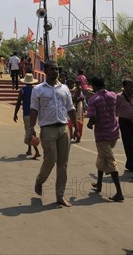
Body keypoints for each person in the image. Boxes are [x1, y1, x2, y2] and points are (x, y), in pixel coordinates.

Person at [31, 61, 79, 207]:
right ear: (45, 71)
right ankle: (40, 180)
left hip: (63, 128)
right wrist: (30, 128)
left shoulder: (64, 88)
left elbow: (70, 108)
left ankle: (60, 195)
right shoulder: (38, 89)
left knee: (63, 164)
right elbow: (33, 109)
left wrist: (76, 127)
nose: (55, 71)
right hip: (47, 129)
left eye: (56, 69)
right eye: (52, 69)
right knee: (50, 160)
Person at [86, 76, 123, 202]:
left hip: (102, 134)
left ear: (94, 86)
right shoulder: (113, 95)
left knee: (110, 160)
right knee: (102, 157)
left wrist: (89, 124)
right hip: (113, 131)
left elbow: (93, 117)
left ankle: (119, 192)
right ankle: (99, 184)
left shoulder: (93, 99)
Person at [13, 74, 41, 159]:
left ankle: (36, 151)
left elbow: (18, 103)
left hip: (27, 113)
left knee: (29, 131)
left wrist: (15, 113)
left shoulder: (22, 90)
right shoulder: (35, 90)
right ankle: (29, 149)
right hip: (34, 113)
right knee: (30, 130)